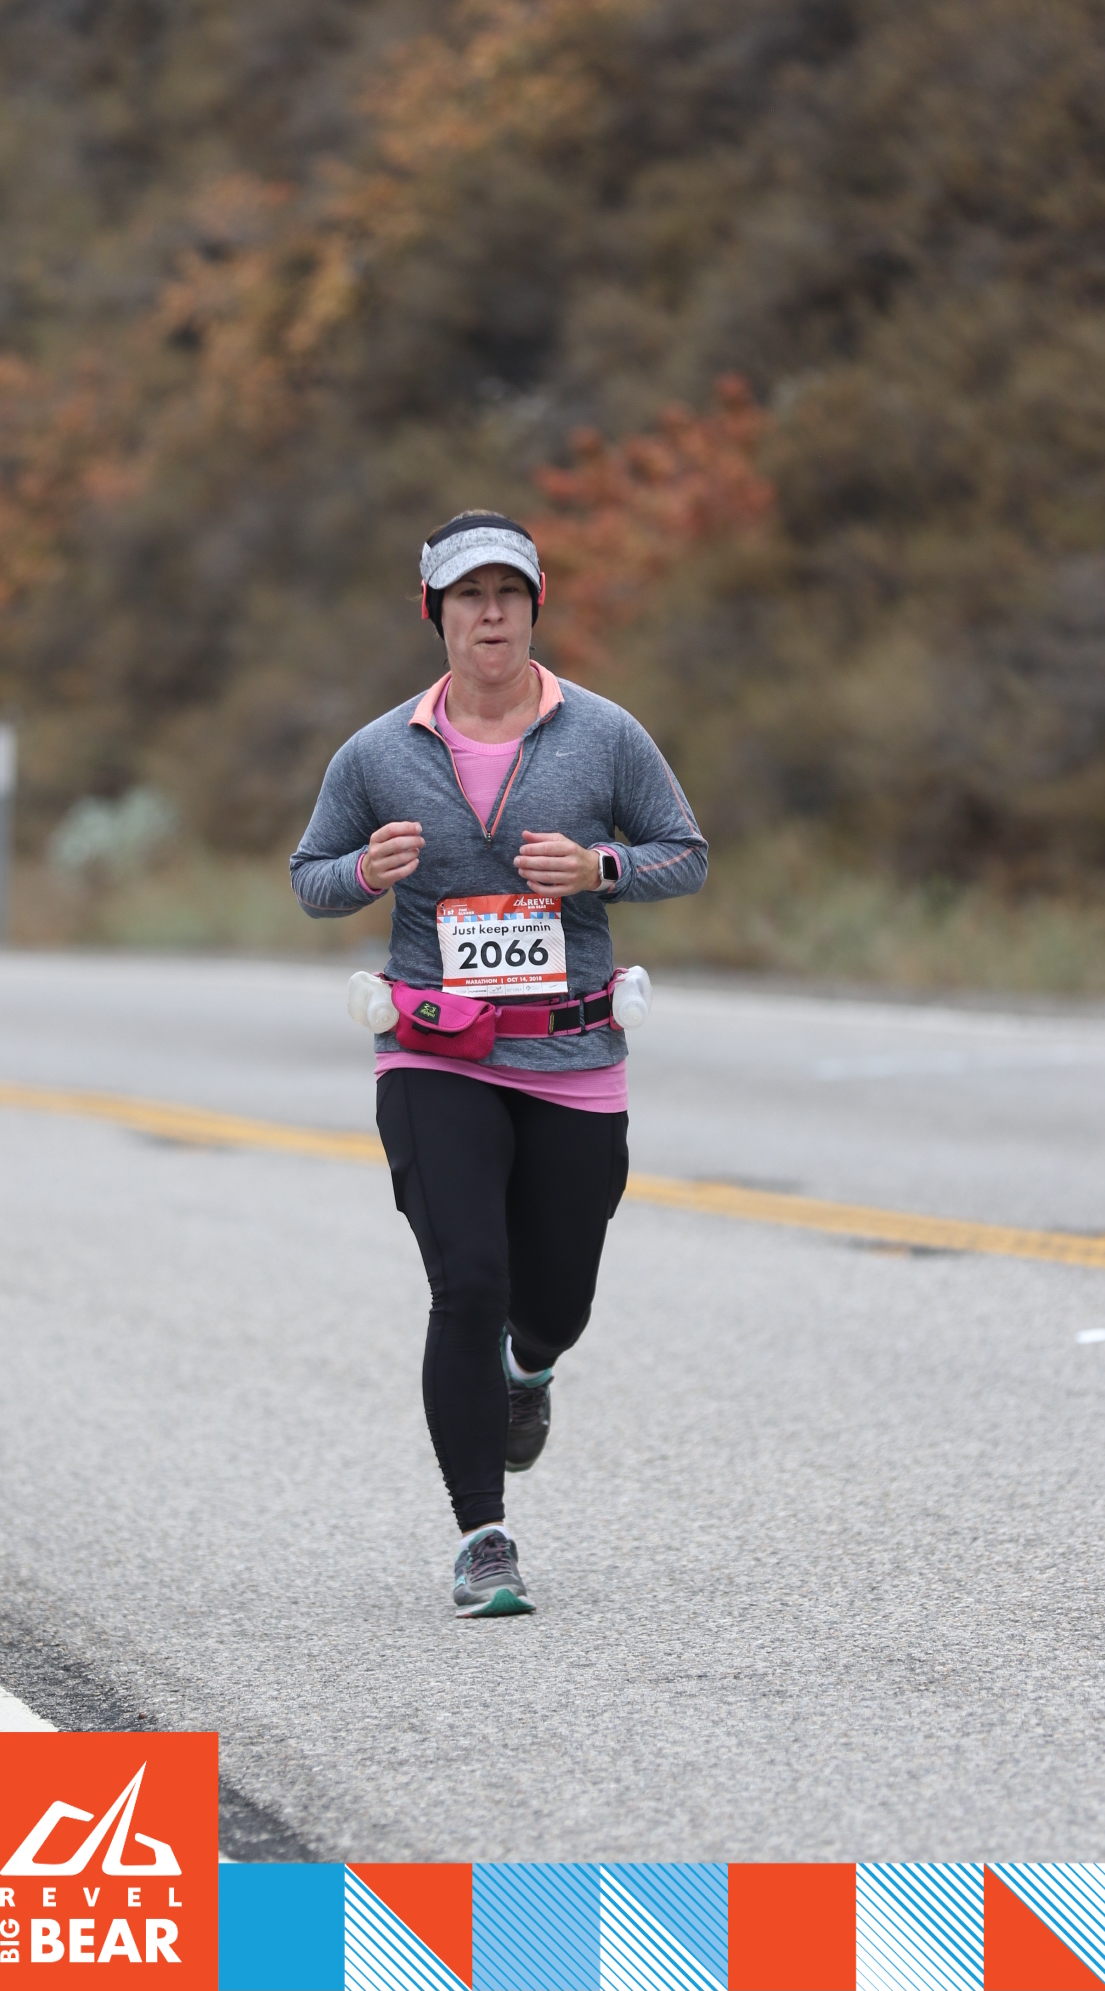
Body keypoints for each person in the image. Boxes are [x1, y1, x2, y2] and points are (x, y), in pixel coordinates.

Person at [290, 511, 707, 1616]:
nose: (490, 614)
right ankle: (483, 1538)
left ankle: (531, 1368)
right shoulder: (377, 752)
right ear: (435, 614)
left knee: (553, 1303)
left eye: (508, 595)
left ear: (533, 608)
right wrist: (364, 872)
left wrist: (601, 867)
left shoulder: (604, 735)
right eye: (469, 596)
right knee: (467, 1283)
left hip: (572, 1052)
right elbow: (309, 875)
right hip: (433, 1054)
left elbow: (685, 854)